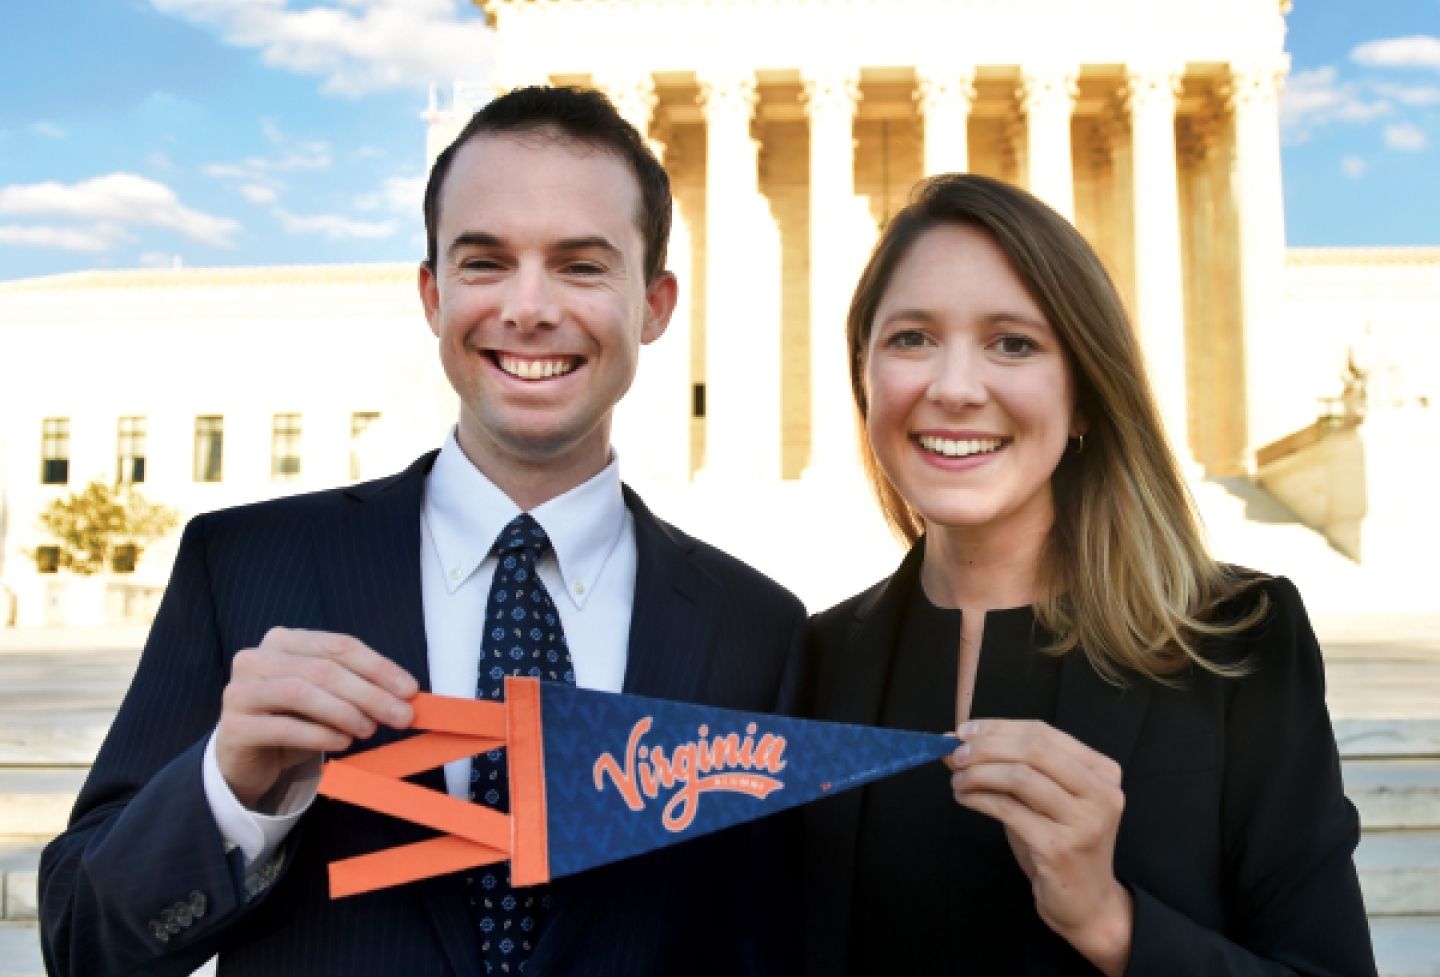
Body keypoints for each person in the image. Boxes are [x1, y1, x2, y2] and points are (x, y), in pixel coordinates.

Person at [40, 86, 805, 977]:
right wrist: (230, 789)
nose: (527, 307)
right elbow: (84, 943)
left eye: (581, 266)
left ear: (656, 305)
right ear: (432, 294)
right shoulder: (245, 567)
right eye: (485, 262)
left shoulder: (757, 630)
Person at [801, 174, 1375, 976]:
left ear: (1084, 398)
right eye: (911, 338)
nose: (954, 387)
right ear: (865, 376)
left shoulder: (1239, 641)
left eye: (1014, 342)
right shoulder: (808, 661)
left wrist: (1110, 919)